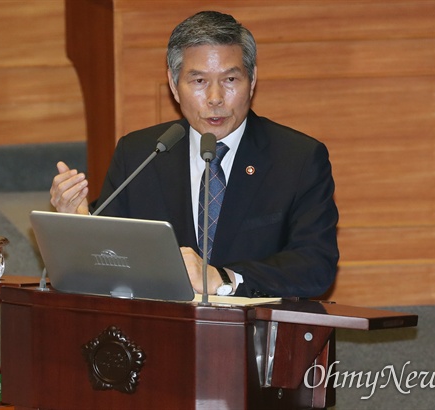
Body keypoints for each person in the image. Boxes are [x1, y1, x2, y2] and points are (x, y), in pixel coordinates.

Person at [50, 11, 339, 298]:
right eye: (199, 81)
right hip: (157, 333)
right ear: (174, 85)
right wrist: (75, 225)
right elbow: (110, 256)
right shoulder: (141, 153)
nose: (215, 98)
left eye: (230, 80)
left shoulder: (298, 159)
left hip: (257, 336)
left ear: (251, 81)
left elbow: (315, 265)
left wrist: (223, 278)